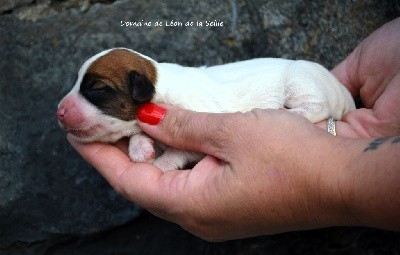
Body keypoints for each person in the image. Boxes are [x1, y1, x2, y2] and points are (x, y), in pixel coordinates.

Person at [68, 18, 400, 241]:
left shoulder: (184, 93)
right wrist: (141, 135)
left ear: (141, 88)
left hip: (306, 82)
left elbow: (201, 138)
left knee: (302, 83)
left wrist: (169, 160)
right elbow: (159, 125)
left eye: (97, 91)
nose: (69, 105)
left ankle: (311, 112)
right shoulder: (157, 96)